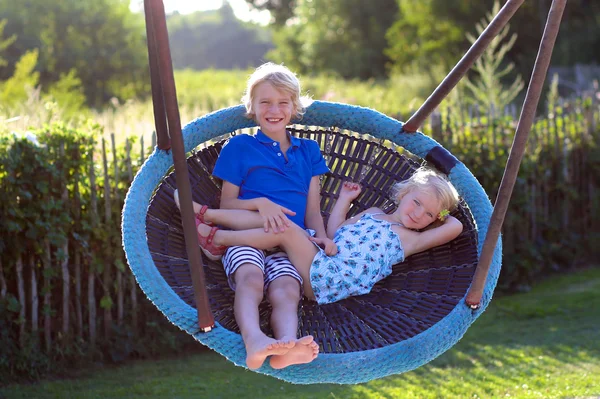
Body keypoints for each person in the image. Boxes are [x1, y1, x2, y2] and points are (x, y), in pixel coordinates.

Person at [192, 62, 334, 370]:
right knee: (251, 278)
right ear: (252, 107)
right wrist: (261, 203)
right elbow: (229, 204)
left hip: (289, 242)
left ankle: (286, 346)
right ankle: (254, 339)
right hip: (250, 235)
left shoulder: (309, 151)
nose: (274, 109)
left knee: (287, 289)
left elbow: (312, 209)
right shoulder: (240, 146)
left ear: (294, 107)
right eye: (265, 102)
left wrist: (321, 236)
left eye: (283, 102)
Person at [182, 167, 464, 306]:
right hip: (323, 259)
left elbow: (455, 226)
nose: (418, 214)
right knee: (281, 220)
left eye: (428, 215)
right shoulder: (373, 212)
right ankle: (207, 215)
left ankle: (216, 238)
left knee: (286, 229)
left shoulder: (410, 239)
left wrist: (441, 209)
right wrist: (344, 198)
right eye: (416, 202)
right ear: (404, 193)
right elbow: (336, 231)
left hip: (332, 280)